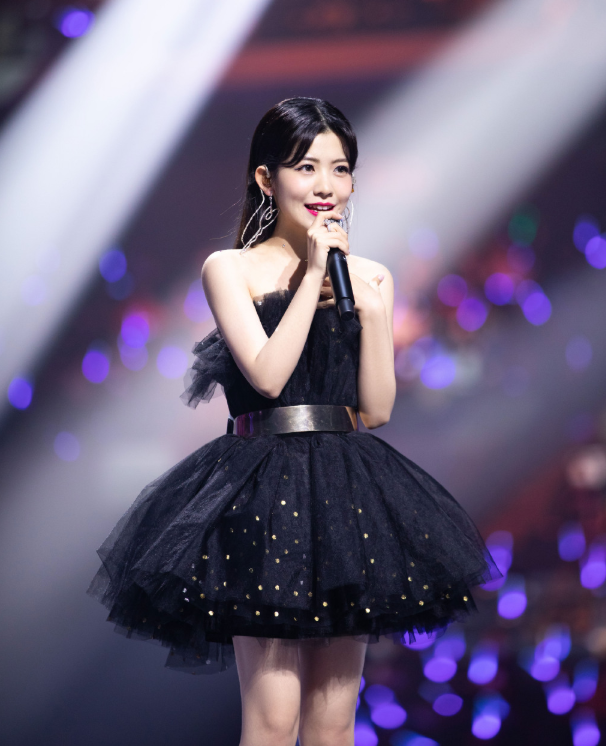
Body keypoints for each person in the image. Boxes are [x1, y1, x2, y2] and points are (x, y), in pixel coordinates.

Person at [88, 97, 501, 746]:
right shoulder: (229, 269)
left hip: (344, 490)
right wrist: (311, 276)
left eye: (340, 169)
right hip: (260, 489)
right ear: (267, 178)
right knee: (273, 719)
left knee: (334, 724)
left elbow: (376, 409)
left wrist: (371, 314)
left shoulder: (371, 278)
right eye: (306, 167)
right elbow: (268, 376)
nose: (325, 185)